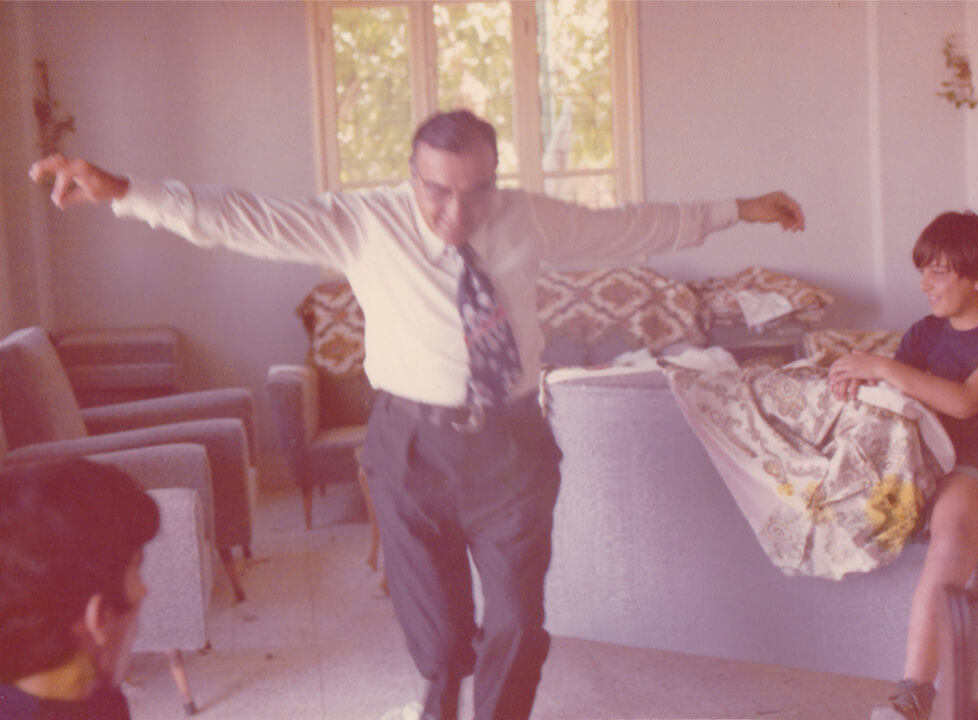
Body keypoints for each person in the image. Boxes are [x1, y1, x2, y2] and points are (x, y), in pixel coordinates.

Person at [30, 108, 805, 720]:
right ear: (411, 179)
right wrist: (124, 191)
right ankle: (438, 697)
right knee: (439, 640)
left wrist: (740, 208)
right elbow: (242, 216)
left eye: (475, 191)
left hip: (512, 446)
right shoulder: (365, 222)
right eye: (437, 191)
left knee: (517, 623)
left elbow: (637, 224)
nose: (455, 211)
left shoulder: (526, 218)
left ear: (496, 179)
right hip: (409, 450)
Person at [827, 211, 978, 720]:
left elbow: (968, 400)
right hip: (973, 468)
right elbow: (899, 401)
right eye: (922, 271)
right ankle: (914, 694)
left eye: (939, 272)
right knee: (949, 543)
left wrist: (883, 366)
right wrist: (860, 380)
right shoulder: (924, 334)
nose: (925, 284)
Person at [0, 458, 160, 720]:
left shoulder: (90, 691)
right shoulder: (100, 703)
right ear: (96, 617)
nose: (144, 591)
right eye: (135, 568)